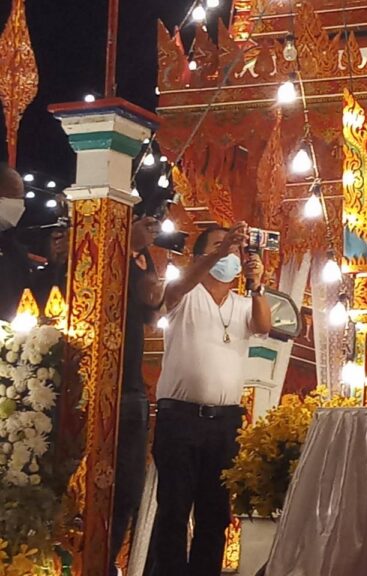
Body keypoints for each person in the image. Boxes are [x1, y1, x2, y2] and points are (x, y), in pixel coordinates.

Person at [146, 222, 271, 576]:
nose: (230, 252)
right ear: (200, 255)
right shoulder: (185, 295)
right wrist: (219, 251)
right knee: (174, 510)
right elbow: (175, 288)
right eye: (220, 246)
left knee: (215, 514)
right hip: (180, 418)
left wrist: (257, 285)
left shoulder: (242, 304)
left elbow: (263, 326)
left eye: (234, 248)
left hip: (225, 422)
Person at [108, 213, 162, 576]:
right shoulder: (95, 248)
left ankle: (107, 562)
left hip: (131, 388)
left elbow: (150, 309)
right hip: (93, 386)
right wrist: (126, 245)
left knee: (128, 491)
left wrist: (139, 253)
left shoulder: (140, 256)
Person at [0, 164, 31, 321]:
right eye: (13, 197)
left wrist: (55, 265)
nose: (19, 205)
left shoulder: (14, 248)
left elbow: (27, 293)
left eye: (21, 198)